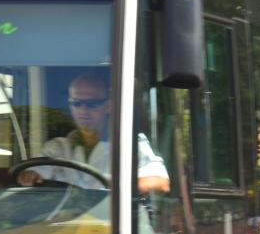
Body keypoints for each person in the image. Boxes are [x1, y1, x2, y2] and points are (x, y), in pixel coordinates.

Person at [17, 72, 169, 195]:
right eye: (76, 103)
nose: (83, 109)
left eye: (91, 103)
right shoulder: (57, 148)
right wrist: (30, 176)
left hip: (113, 224)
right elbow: (34, 173)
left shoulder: (130, 144)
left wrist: (116, 184)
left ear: (108, 106)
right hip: (63, 225)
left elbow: (160, 183)